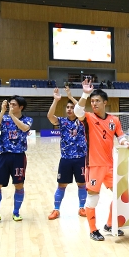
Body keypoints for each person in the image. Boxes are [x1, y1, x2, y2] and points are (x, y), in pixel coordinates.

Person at [74, 79, 129, 241]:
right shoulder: (88, 117)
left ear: (105, 102)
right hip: (93, 165)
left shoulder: (114, 120)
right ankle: (93, 230)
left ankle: (109, 224)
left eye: (97, 101)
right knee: (93, 198)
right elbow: (78, 111)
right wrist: (85, 93)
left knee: (120, 195)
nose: (94, 104)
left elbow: (120, 136)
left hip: (110, 165)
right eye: (92, 101)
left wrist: (125, 142)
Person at [0, 96, 33, 226]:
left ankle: (16, 212)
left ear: (21, 107)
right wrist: (2, 112)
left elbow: (24, 128)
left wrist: (12, 116)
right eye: (10, 104)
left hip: (18, 156)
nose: (11, 106)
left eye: (13, 104)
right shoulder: (4, 117)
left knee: (19, 184)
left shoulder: (27, 119)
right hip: (3, 155)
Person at [46, 86, 88, 220]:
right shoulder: (62, 122)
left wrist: (70, 97)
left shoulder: (82, 122)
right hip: (65, 159)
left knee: (82, 184)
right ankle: (56, 209)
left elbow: (81, 109)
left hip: (81, 158)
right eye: (67, 107)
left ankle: (82, 208)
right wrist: (56, 100)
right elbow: (49, 116)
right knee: (61, 185)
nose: (69, 109)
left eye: (71, 107)